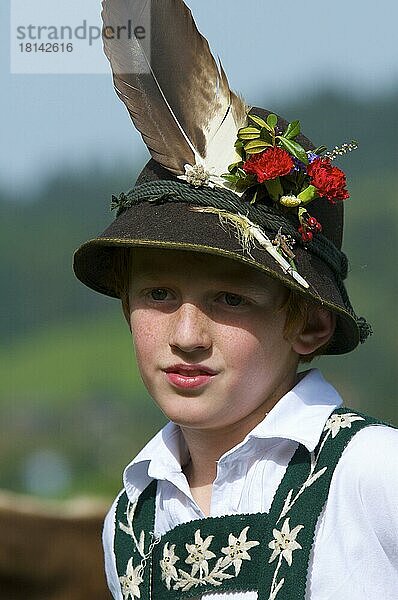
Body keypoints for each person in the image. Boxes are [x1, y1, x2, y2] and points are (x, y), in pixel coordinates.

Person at [73, 1, 398, 598]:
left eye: (230, 298)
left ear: (309, 325)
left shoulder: (374, 472)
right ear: (126, 307)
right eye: (159, 293)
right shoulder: (128, 525)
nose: (188, 334)